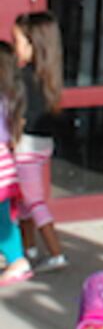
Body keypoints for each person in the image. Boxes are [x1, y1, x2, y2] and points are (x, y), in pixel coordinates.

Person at [13, 11, 66, 272]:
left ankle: (56, 253)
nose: (16, 49)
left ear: (34, 44)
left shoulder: (22, 79)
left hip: (26, 147)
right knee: (25, 201)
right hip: (43, 146)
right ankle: (29, 248)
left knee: (33, 201)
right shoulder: (49, 77)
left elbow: (19, 115)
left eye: (19, 43)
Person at [0, 41, 29, 286]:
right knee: (4, 217)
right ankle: (14, 257)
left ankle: (17, 260)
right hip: (5, 164)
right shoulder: (10, 96)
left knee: (3, 219)